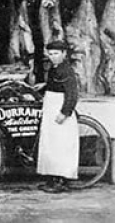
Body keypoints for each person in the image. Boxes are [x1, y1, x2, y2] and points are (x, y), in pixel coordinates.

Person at [36, 40, 79, 193]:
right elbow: (56, 84)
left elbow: (72, 94)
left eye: (56, 54)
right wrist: (45, 85)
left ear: (64, 54)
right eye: (51, 54)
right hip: (51, 107)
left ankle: (61, 180)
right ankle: (52, 178)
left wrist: (65, 112)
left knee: (61, 145)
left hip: (59, 109)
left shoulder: (67, 70)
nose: (53, 57)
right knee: (51, 144)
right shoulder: (55, 68)